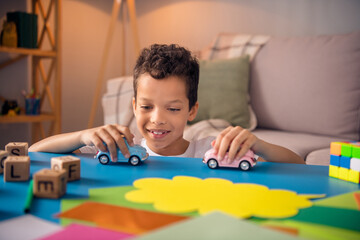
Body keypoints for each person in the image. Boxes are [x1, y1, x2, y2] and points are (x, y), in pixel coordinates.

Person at [29, 44, 304, 164]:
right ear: (134, 106)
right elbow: (35, 152)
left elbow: (298, 165)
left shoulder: (209, 151)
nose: (157, 119)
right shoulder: (119, 149)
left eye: (173, 109)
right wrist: (82, 135)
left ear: (192, 110)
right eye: (147, 107)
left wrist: (259, 145)